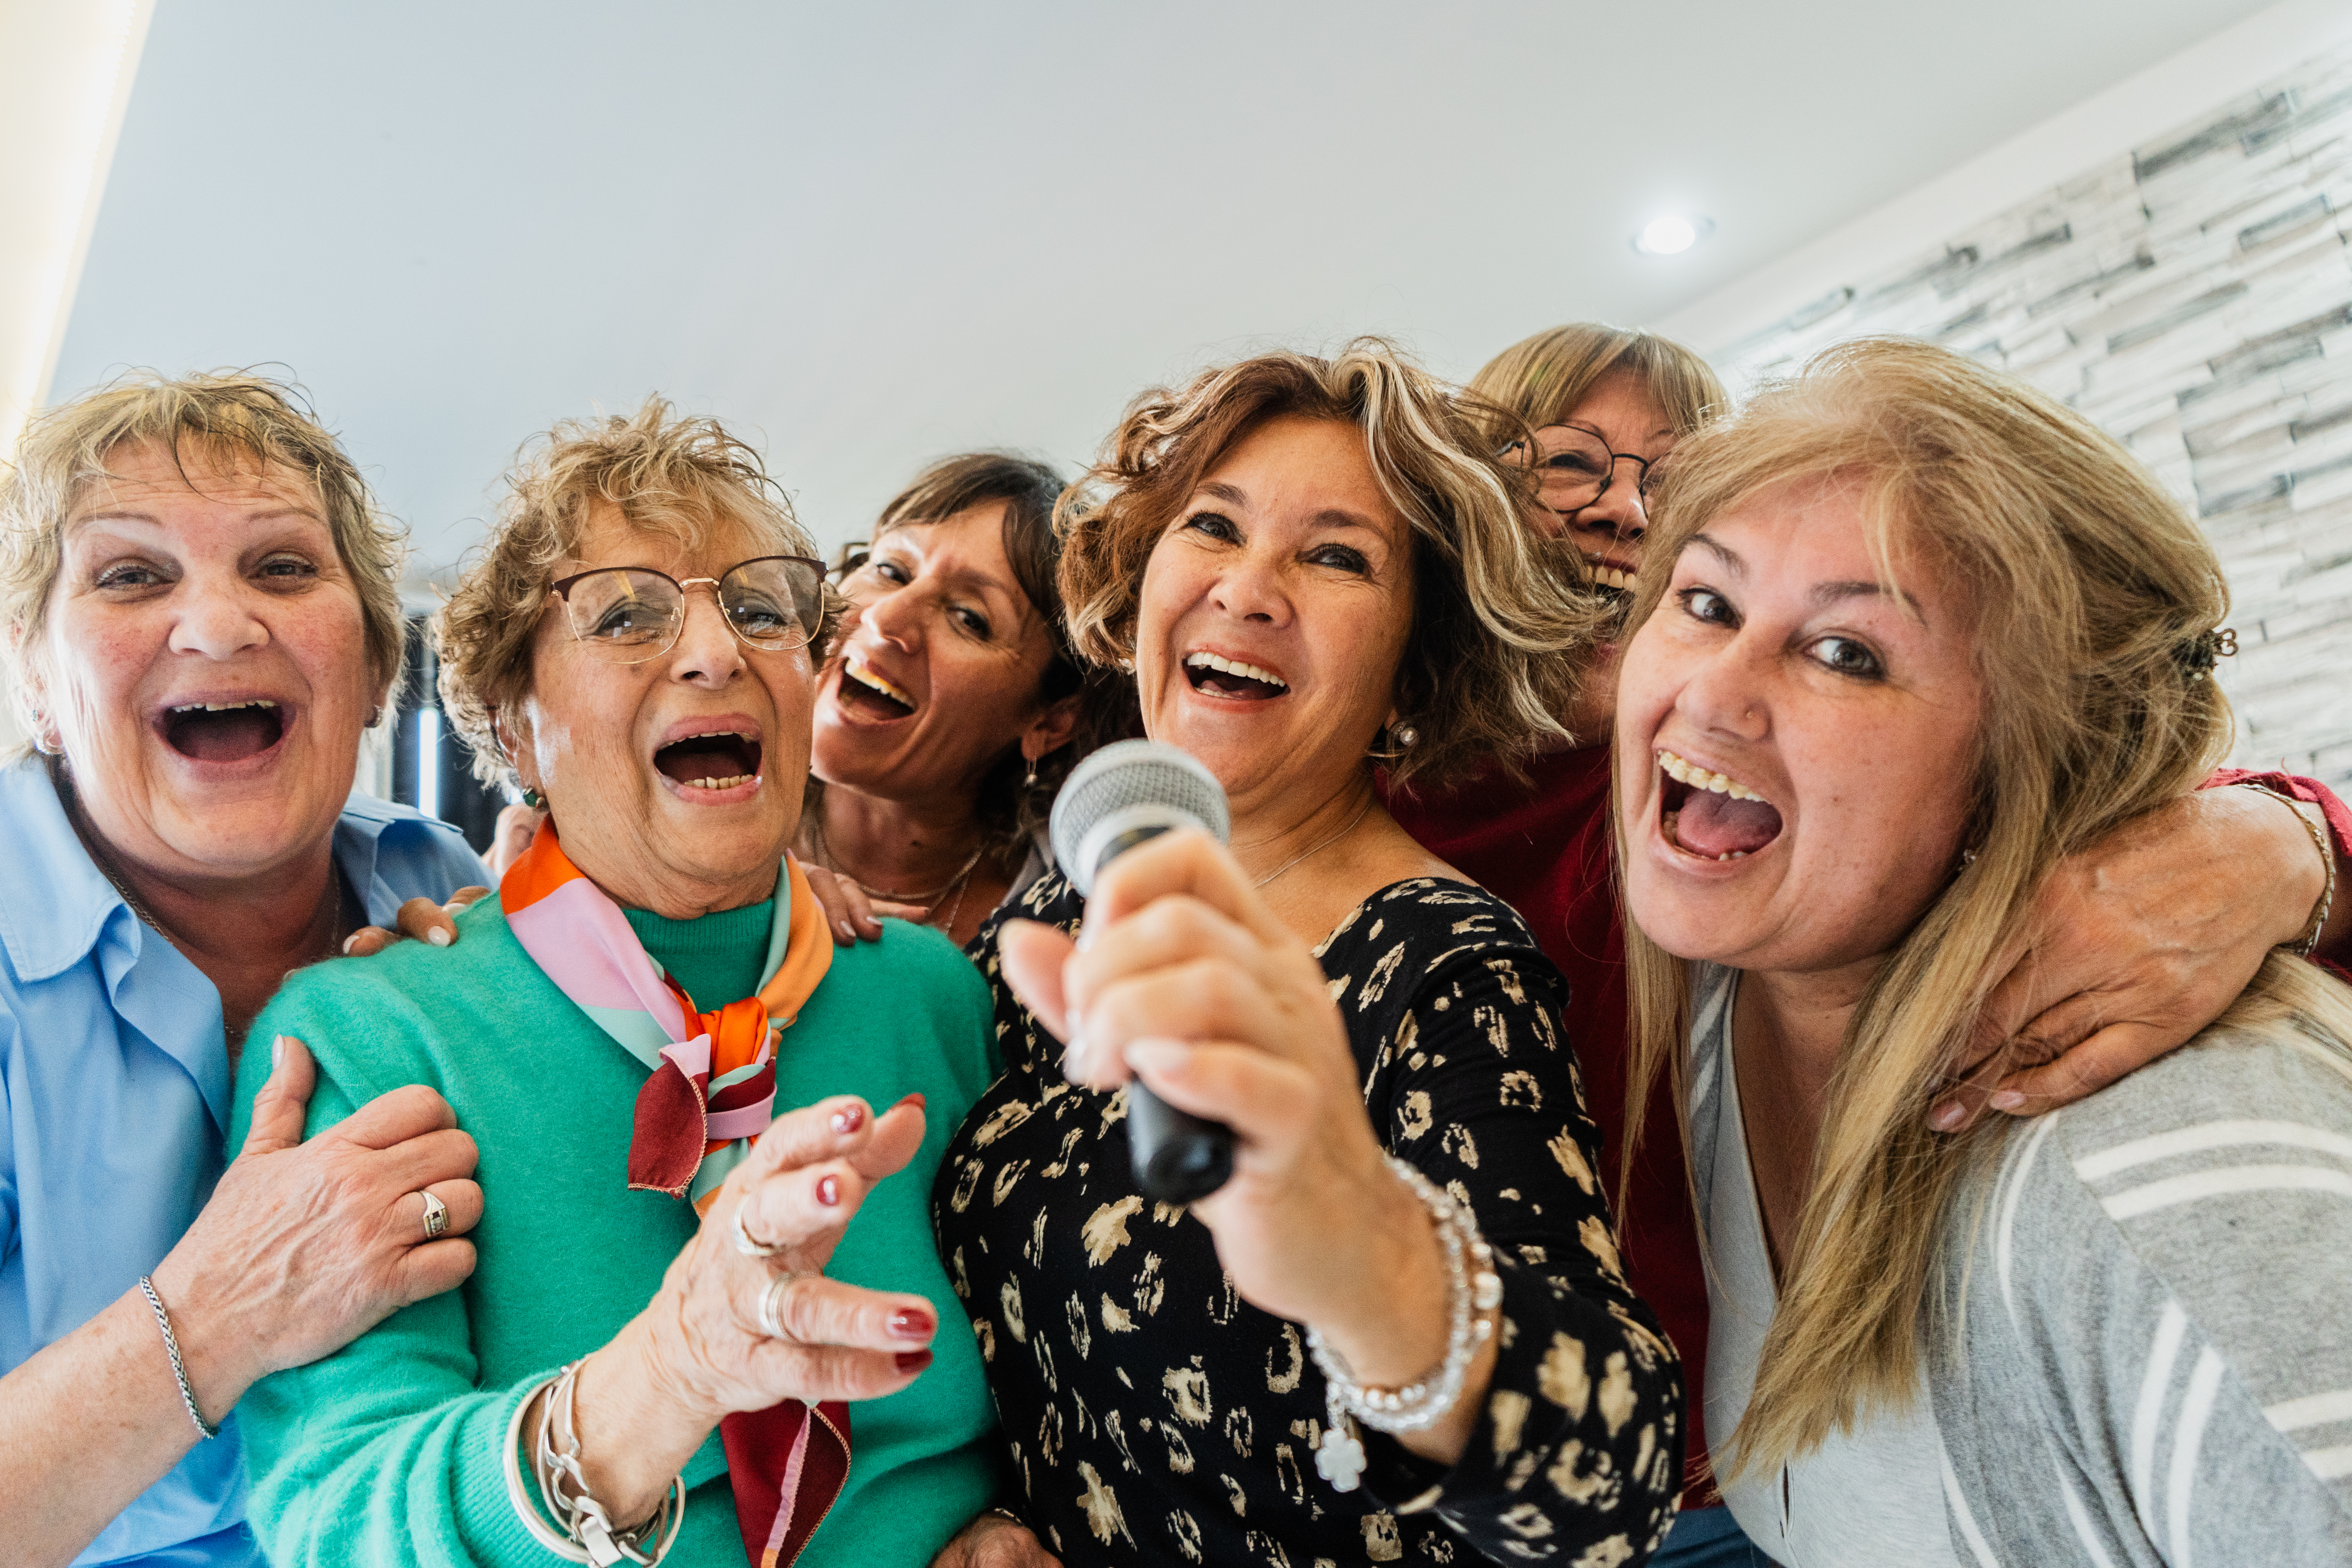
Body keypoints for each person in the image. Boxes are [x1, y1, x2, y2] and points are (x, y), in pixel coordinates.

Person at [1383, 323, 2352, 1565]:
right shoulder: (1728, 980)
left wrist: (2285, 843)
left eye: (1844, 652)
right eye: (1707, 600)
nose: (1711, 691)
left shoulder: (2144, 1185)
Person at [938, 341, 1684, 1567]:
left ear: (1410, 665)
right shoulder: (1049, 927)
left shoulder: (1438, 962)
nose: (1248, 586)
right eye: (1212, 527)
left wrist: (1365, 1251)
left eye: (1335, 554)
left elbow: (1611, 1479)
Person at [229, 401, 1012, 1567]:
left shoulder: (930, 997)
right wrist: (666, 1375)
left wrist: (1010, 1518)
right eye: (623, 616)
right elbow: (330, 1519)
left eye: (759, 609)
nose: (714, 654)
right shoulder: (368, 1031)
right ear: (513, 722)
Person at [0, 372, 491, 1568]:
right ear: (38, 690)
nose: (219, 626)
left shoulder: (442, 875)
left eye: (282, 567)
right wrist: (219, 1312)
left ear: (377, 671)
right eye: (130, 575)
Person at [796, 452, 1132, 946]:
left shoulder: (1087, 920)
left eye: (969, 619)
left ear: (1054, 720)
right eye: (891, 570)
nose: (886, 620)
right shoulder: (693, 808)